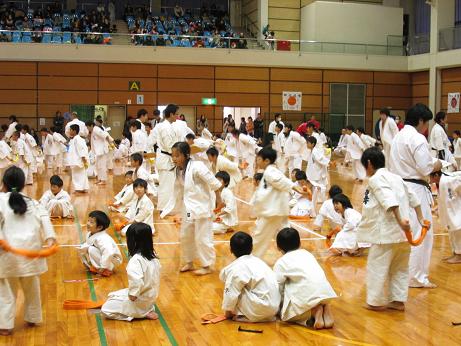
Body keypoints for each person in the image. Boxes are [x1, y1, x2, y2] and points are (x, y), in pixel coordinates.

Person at [357, 148, 423, 311]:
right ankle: (398, 300)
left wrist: (400, 221)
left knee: (377, 266)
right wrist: (421, 220)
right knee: (400, 267)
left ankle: (375, 301)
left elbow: (389, 200)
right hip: (403, 234)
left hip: (386, 232)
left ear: (369, 164)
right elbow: (414, 199)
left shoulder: (377, 179)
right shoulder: (396, 178)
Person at [389, 104, 442, 288]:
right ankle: (417, 277)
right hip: (415, 190)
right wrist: (439, 165)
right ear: (420, 120)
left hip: (399, 188)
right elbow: (425, 167)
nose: (426, 127)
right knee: (422, 233)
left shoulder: (399, 136)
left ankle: (403, 275)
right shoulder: (417, 138)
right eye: (426, 123)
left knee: (406, 234)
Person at [0, 166, 56, 336]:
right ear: (24, 184)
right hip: (31, 251)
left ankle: (4, 325)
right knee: (32, 287)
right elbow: (44, 218)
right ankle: (33, 317)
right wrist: (50, 238)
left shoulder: (1, 199)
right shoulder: (33, 202)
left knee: (5, 290)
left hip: (7, 252)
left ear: (4, 183)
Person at [162, 142, 222, 275]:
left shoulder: (197, 166)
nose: (174, 158)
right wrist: (170, 210)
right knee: (186, 235)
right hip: (189, 209)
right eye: (173, 156)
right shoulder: (179, 170)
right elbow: (177, 191)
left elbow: (214, 183)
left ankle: (207, 265)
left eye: (177, 155)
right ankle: (189, 261)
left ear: (186, 155)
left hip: (202, 207)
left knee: (202, 237)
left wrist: (219, 200)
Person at [251, 147, 309, 258]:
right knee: (286, 235)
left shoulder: (271, 172)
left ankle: (252, 259)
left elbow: (283, 182)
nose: (256, 162)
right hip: (278, 210)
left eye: (258, 159)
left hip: (272, 212)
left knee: (260, 237)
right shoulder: (271, 171)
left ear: (266, 161)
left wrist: (298, 189)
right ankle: (294, 256)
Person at [274, 228, 336, 328]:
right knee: (297, 282)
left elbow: (277, 288)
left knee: (285, 315)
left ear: (278, 247)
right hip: (326, 294)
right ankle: (325, 308)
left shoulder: (281, 262)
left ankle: (313, 313)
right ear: (299, 243)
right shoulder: (308, 254)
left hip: (309, 300)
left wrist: (278, 308)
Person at [101, 223, 160, 321]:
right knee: (113, 295)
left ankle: (140, 314)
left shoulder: (136, 260)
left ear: (133, 241)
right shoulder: (153, 256)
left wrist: (133, 295)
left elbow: (137, 281)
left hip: (139, 301)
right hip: (149, 299)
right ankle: (145, 310)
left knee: (106, 309)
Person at [219, 232, 281, 322]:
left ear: (231, 249)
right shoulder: (259, 262)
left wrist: (227, 314)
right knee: (237, 283)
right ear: (251, 248)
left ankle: (248, 316)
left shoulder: (237, 268)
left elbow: (231, 293)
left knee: (234, 286)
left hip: (260, 309)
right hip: (275, 307)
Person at [78, 210, 122, 276]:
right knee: (83, 248)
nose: (88, 223)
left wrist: (103, 268)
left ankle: (106, 270)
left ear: (99, 227)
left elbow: (109, 252)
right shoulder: (90, 233)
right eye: (88, 220)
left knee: (91, 249)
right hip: (106, 256)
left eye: (91, 222)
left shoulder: (103, 238)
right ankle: (95, 267)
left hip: (112, 259)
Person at [430, 170, 461, 264]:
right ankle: (455, 253)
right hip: (450, 212)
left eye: (429, 176)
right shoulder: (440, 183)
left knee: (458, 234)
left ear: (436, 175)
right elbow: (443, 199)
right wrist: (436, 209)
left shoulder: (450, 180)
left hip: (457, 210)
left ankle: (459, 256)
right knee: (452, 233)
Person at [155, 104, 179, 212]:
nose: (177, 116)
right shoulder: (165, 127)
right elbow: (170, 146)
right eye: (176, 114)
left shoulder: (167, 125)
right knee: (166, 185)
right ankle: (164, 208)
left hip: (167, 157)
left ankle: (166, 207)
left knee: (169, 185)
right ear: (171, 114)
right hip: (166, 158)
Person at [306, 136, 329, 211]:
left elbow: (321, 159)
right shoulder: (312, 151)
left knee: (320, 189)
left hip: (317, 174)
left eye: (308, 143)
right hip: (314, 173)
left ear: (312, 144)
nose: (307, 144)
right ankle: (319, 203)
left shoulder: (315, 151)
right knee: (317, 190)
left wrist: (329, 162)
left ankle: (325, 204)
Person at [87, 121, 114, 186]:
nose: (87, 128)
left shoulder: (96, 129)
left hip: (102, 151)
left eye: (87, 127)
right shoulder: (93, 131)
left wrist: (111, 143)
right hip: (98, 152)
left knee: (102, 166)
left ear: (91, 125)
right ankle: (100, 179)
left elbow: (105, 135)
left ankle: (103, 180)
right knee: (98, 166)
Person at [67, 124, 89, 193]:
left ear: (74, 131)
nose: (69, 131)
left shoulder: (77, 139)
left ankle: (79, 189)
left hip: (78, 160)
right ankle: (82, 188)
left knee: (77, 176)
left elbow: (81, 150)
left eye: (70, 130)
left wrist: (84, 160)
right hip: (77, 160)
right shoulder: (75, 139)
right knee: (81, 175)